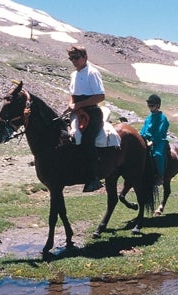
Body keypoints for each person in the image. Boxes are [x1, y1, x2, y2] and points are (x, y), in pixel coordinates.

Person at [67, 45, 105, 192]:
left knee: (87, 141)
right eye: (71, 58)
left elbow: (100, 96)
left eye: (76, 57)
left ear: (85, 57)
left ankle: (94, 178)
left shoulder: (92, 73)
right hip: (77, 111)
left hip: (92, 113)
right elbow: (72, 94)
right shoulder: (73, 75)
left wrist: (78, 105)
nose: (73, 61)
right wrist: (71, 104)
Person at [140, 94, 170, 185]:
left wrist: (152, 142)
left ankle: (160, 176)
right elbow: (143, 130)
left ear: (158, 105)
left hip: (159, 141)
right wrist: (141, 137)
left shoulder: (162, 118)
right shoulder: (149, 117)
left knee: (157, 155)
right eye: (149, 105)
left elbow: (160, 132)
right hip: (147, 140)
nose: (150, 107)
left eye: (152, 105)